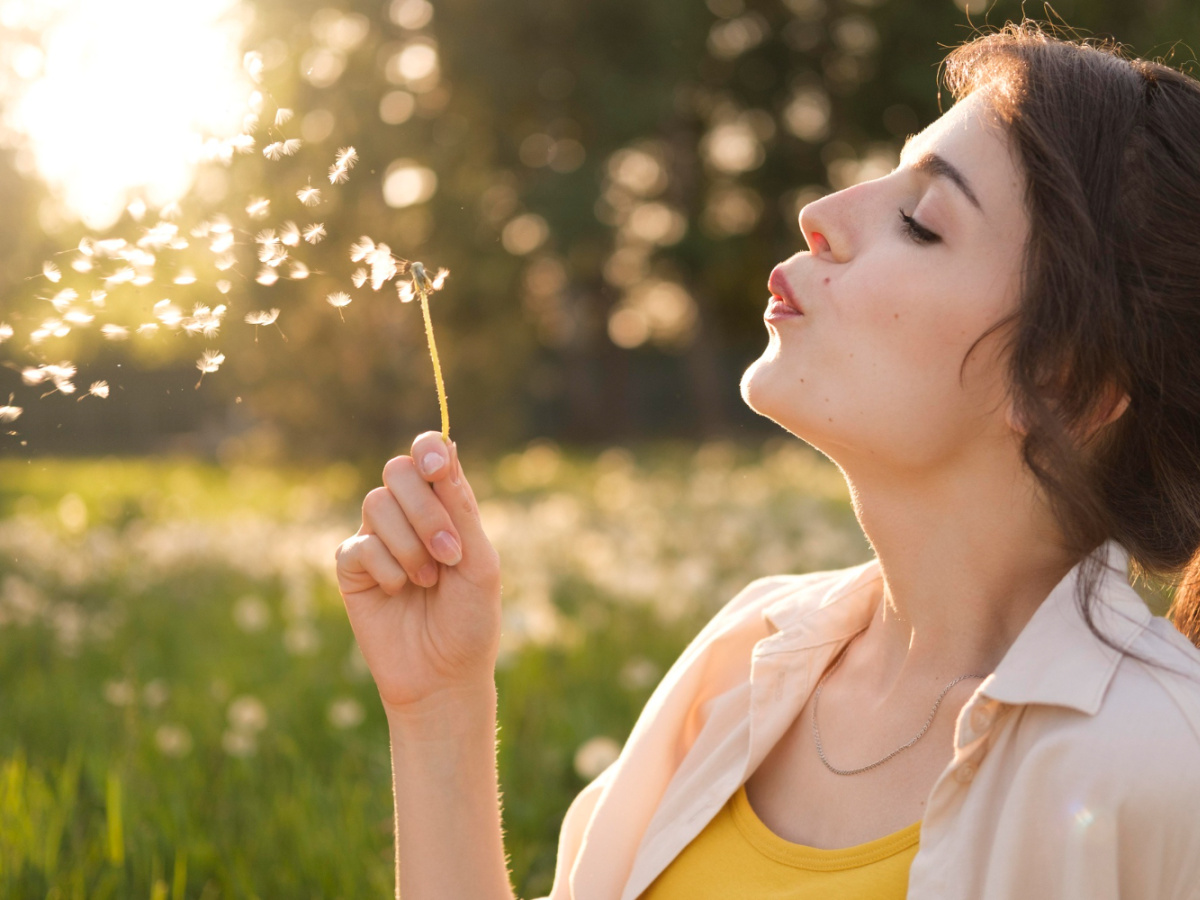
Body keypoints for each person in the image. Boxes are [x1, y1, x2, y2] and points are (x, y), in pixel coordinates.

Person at [334, 20, 1200, 900]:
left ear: (1066, 387)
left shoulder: (1167, 769)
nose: (819, 217)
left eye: (919, 222)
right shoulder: (747, 654)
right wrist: (438, 703)